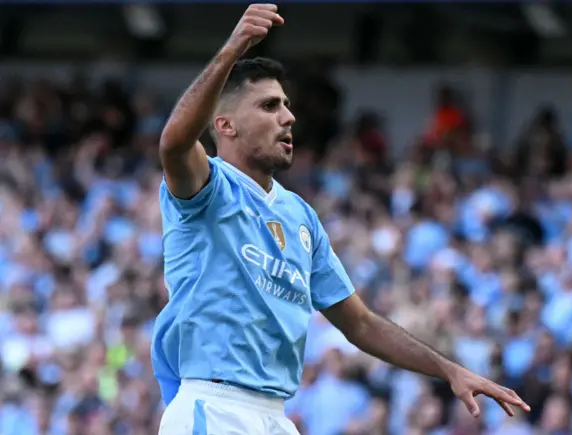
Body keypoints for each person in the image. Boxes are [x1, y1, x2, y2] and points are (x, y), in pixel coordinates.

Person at [151, 4, 531, 434]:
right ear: (226, 125)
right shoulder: (208, 188)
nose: (288, 116)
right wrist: (232, 50)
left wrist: (449, 370)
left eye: (287, 105)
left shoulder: (300, 217)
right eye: (269, 105)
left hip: (275, 415)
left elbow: (361, 323)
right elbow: (174, 143)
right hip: (214, 408)